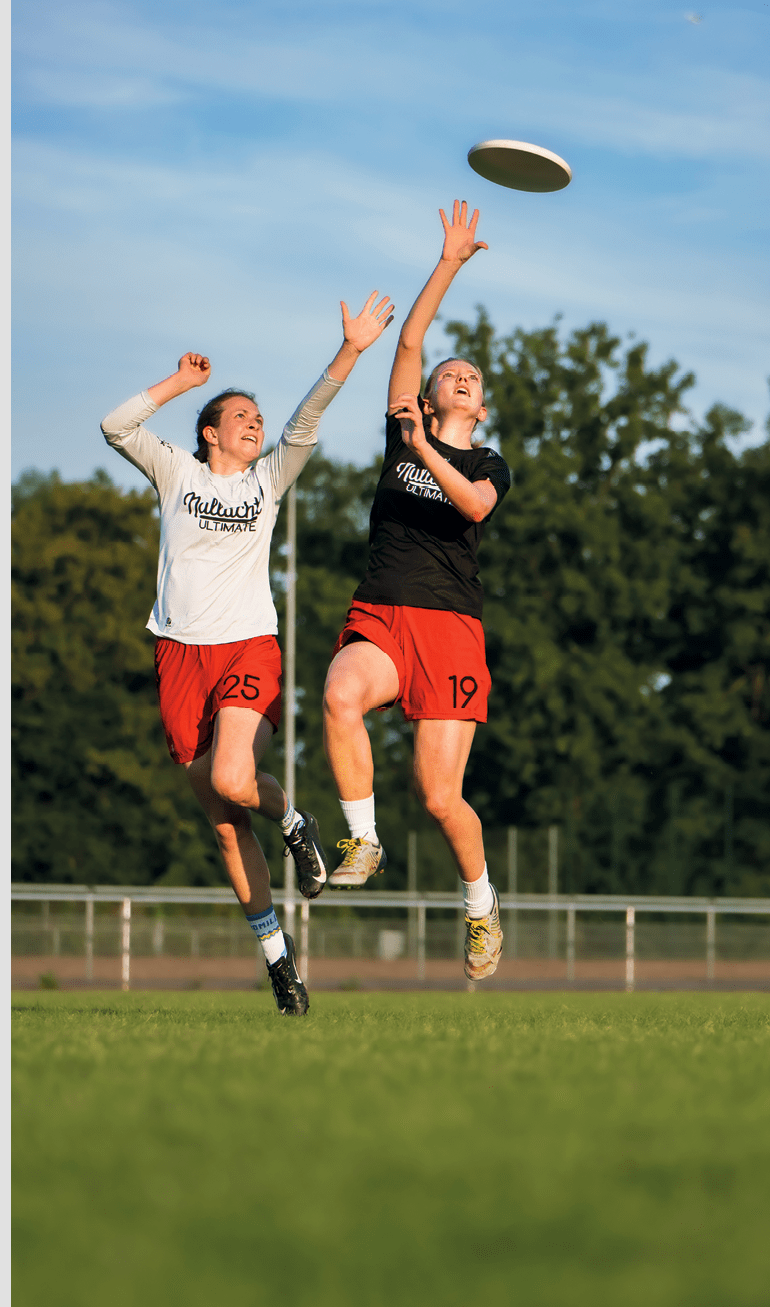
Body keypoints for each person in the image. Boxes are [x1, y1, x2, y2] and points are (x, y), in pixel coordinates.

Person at [101, 291, 394, 1013]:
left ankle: (297, 823)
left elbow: (306, 419)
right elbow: (115, 426)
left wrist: (352, 349)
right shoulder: (177, 472)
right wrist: (179, 384)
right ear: (208, 433)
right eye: (238, 416)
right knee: (228, 826)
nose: (252, 423)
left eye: (253, 419)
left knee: (236, 777)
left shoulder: (267, 479)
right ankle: (279, 964)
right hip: (177, 654)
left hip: (247, 648)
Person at [322, 202, 510, 982]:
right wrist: (450, 262)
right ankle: (362, 837)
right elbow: (408, 339)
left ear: (479, 406)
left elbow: (471, 507)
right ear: (428, 396)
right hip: (384, 613)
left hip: (450, 629)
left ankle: (480, 903)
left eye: (472, 377)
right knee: (338, 693)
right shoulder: (405, 419)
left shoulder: (487, 462)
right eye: (449, 375)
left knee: (440, 797)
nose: (461, 375)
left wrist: (425, 449)